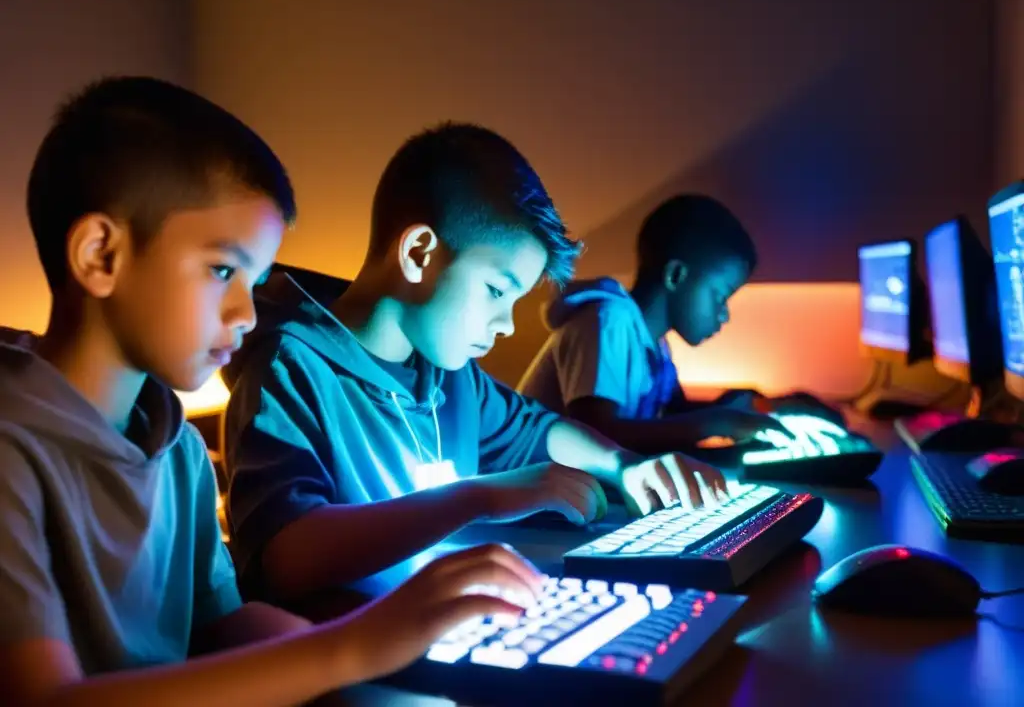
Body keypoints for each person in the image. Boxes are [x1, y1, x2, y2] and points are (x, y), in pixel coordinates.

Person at [0, 76, 542, 707]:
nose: (248, 312)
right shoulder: (13, 451)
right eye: (223, 270)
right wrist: (354, 647)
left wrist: (384, 654)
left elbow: (221, 625)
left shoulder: (172, 444)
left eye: (253, 279)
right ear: (100, 255)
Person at [222, 123, 729, 609]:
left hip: (430, 634)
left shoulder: (450, 375)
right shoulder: (288, 370)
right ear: (420, 253)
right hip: (334, 661)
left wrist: (625, 466)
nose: (506, 324)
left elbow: (539, 429)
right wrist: (478, 496)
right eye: (495, 291)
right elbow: (284, 556)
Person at [517, 193, 817, 455]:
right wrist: (715, 422)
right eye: (720, 296)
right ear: (676, 276)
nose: (723, 315)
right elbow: (594, 432)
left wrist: (740, 407)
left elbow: (671, 418)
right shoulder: (608, 321)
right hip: (530, 502)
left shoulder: (656, 346)